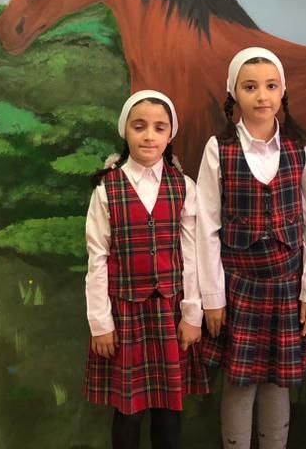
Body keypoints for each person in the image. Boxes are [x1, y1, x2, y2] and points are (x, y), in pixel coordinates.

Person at [198, 47, 306, 449]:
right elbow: (206, 228)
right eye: (250, 87)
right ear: (233, 93)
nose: (262, 96)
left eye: (271, 86)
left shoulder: (300, 147)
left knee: (277, 382)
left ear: (282, 91)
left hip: (288, 287)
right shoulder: (219, 149)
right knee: (240, 383)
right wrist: (213, 298)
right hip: (238, 286)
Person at [84, 90, 208, 448]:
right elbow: (97, 258)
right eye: (139, 127)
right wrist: (100, 323)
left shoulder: (184, 187)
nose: (149, 136)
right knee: (128, 410)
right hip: (124, 314)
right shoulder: (106, 189)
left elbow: (191, 254)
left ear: (170, 135)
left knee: (169, 408)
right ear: (125, 131)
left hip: (170, 312)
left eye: (159, 128)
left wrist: (192, 315)